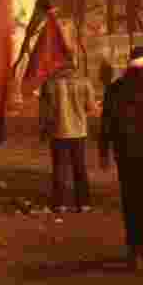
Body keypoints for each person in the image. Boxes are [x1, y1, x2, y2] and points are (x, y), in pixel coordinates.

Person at [99, 45, 143, 269]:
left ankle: (133, 245)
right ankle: (139, 242)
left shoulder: (114, 89)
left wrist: (104, 152)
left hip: (124, 151)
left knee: (129, 197)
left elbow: (106, 124)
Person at [40, 60, 96, 213]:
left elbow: (45, 112)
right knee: (80, 168)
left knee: (59, 168)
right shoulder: (84, 82)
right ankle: (83, 203)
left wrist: (44, 130)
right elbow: (91, 108)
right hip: (79, 132)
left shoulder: (50, 84)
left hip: (58, 132)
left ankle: (60, 204)